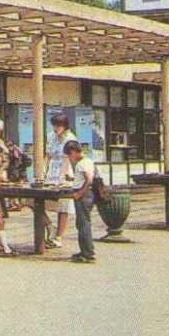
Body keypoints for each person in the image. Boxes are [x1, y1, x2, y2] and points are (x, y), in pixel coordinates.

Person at [60, 139, 98, 264]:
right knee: (81, 223)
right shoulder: (87, 161)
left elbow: (89, 180)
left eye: (69, 155)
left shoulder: (81, 163)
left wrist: (79, 193)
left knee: (83, 223)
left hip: (83, 194)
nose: (70, 158)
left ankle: (88, 253)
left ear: (73, 152)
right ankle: (84, 250)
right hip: (85, 193)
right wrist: (72, 178)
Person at [44, 111, 78, 250]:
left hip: (65, 173)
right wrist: (42, 171)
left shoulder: (70, 138)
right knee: (34, 201)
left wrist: (61, 176)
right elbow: (47, 155)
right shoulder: (50, 136)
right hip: (51, 172)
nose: (55, 128)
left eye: (58, 125)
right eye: (53, 125)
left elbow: (67, 158)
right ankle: (49, 226)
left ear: (64, 126)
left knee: (63, 206)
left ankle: (58, 237)